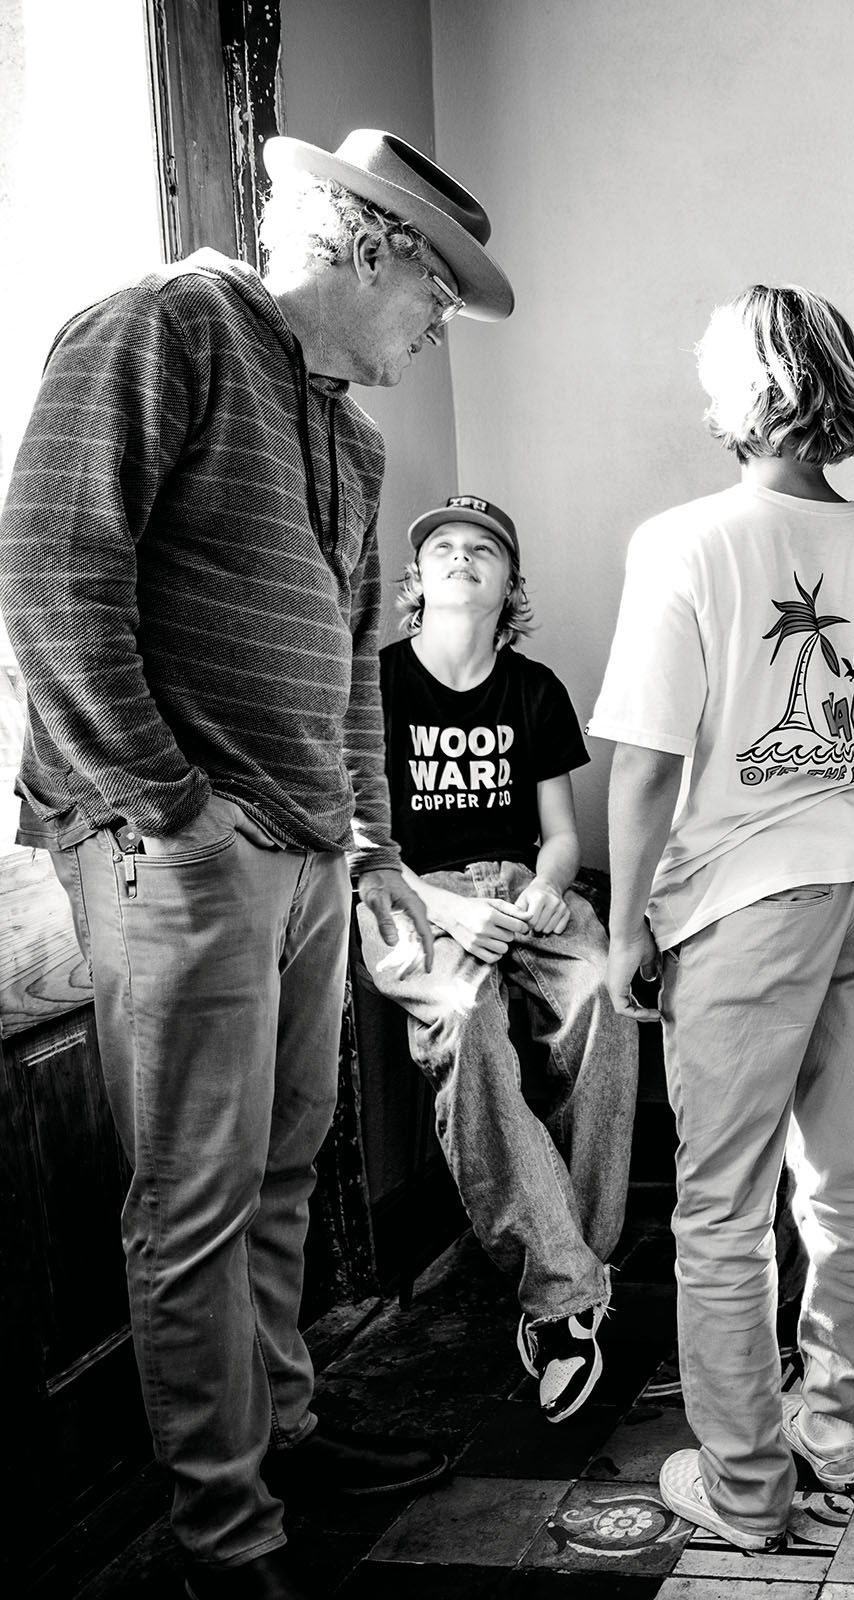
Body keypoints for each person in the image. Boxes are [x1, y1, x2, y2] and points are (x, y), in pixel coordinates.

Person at [0, 130, 512, 1600]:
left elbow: (353, 665)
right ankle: (227, 1543)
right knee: (195, 1202)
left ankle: (283, 1441)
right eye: (437, 297)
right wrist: (172, 808)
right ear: (369, 245)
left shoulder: (344, 426)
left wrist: (375, 846)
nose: (433, 335)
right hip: (181, 850)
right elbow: (49, 571)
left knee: (285, 1170)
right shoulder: (163, 327)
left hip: (298, 856)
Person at [589, 285, 854, 1551]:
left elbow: (641, 761)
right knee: (843, 1177)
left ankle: (744, 1486)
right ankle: (832, 1418)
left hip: (746, 898)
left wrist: (629, 929)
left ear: (739, 390)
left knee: (720, 1205)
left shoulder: (685, 541)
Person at [356, 492, 638, 1422]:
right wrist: (444, 907)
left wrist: (549, 888)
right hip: (411, 896)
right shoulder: (378, 680)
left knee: (603, 992)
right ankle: (561, 1295)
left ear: (510, 581)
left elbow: (562, 835)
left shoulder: (535, 689)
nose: (462, 558)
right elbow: (363, 835)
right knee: (469, 1023)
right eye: (443, 547)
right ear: (417, 577)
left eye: (484, 549)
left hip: (518, 886)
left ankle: (579, 1266)